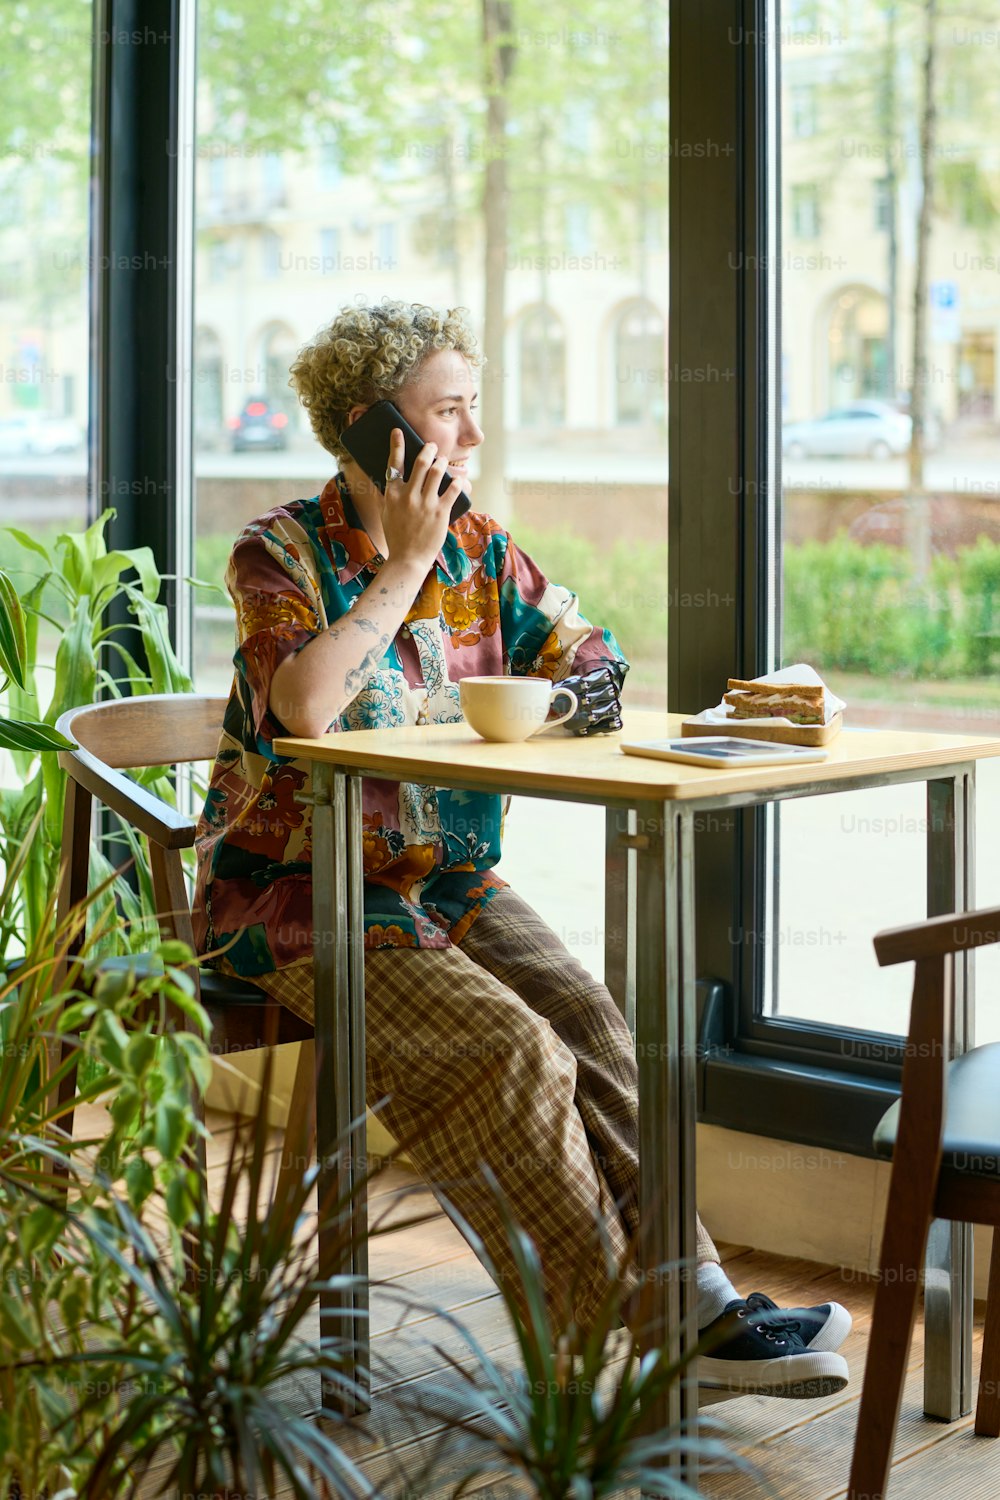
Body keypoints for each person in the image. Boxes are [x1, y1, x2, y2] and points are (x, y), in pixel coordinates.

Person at [192, 298, 851, 1398]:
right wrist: (402, 565)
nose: (474, 437)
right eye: (449, 412)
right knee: (508, 1051)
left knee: (587, 1019)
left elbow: (592, 654)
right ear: (373, 430)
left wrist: (576, 690)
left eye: (474, 408)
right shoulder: (278, 552)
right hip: (290, 899)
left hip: (437, 882)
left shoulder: (486, 549)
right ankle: (628, 1346)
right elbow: (304, 705)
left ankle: (696, 1306)